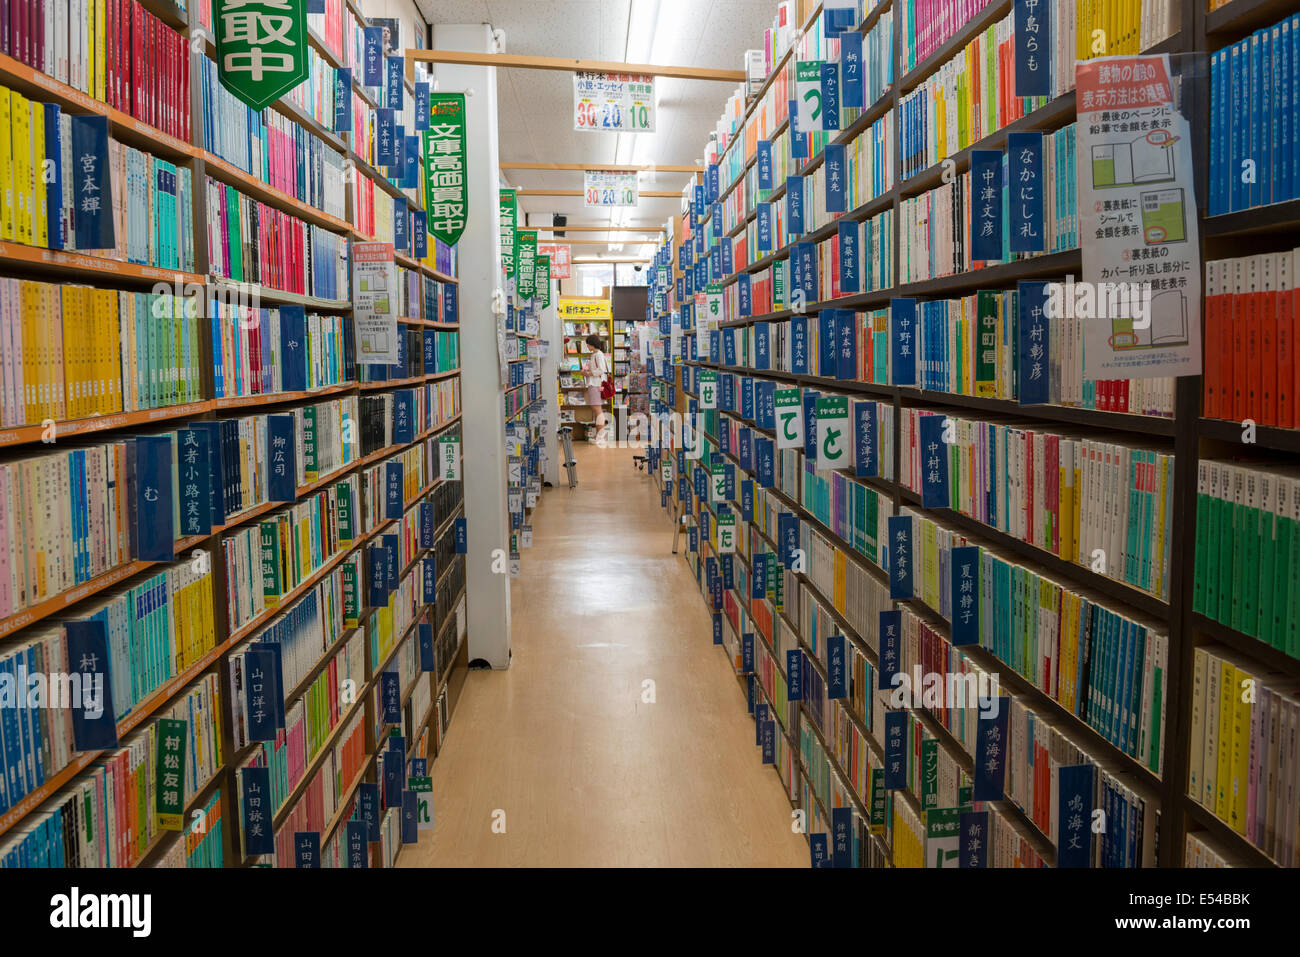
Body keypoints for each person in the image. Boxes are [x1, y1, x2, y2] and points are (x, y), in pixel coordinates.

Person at [581, 334, 610, 442]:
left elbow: (601, 370)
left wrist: (589, 373)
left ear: (592, 344)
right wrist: (585, 372)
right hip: (593, 384)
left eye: (588, 344)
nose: (587, 346)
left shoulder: (598, 355)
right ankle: (599, 435)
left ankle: (601, 437)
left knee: (598, 410)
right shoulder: (594, 354)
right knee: (596, 409)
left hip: (596, 384)